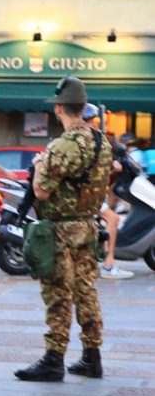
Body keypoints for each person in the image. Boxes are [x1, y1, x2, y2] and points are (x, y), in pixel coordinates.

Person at [15, 77, 113, 382]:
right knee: (86, 291)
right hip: (88, 225)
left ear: (59, 109)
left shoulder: (60, 146)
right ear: (83, 108)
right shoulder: (101, 142)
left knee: (58, 293)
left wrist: (39, 164)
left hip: (60, 231)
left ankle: (54, 359)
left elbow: (42, 192)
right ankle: (91, 357)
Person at [81, 104, 134, 279]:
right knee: (113, 218)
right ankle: (108, 265)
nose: (94, 124)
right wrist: (113, 165)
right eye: (91, 120)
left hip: (88, 192)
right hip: (84, 195)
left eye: (94, 120)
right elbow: (92, 162)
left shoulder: (83, 138)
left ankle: (103, 258)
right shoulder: (85, 140)